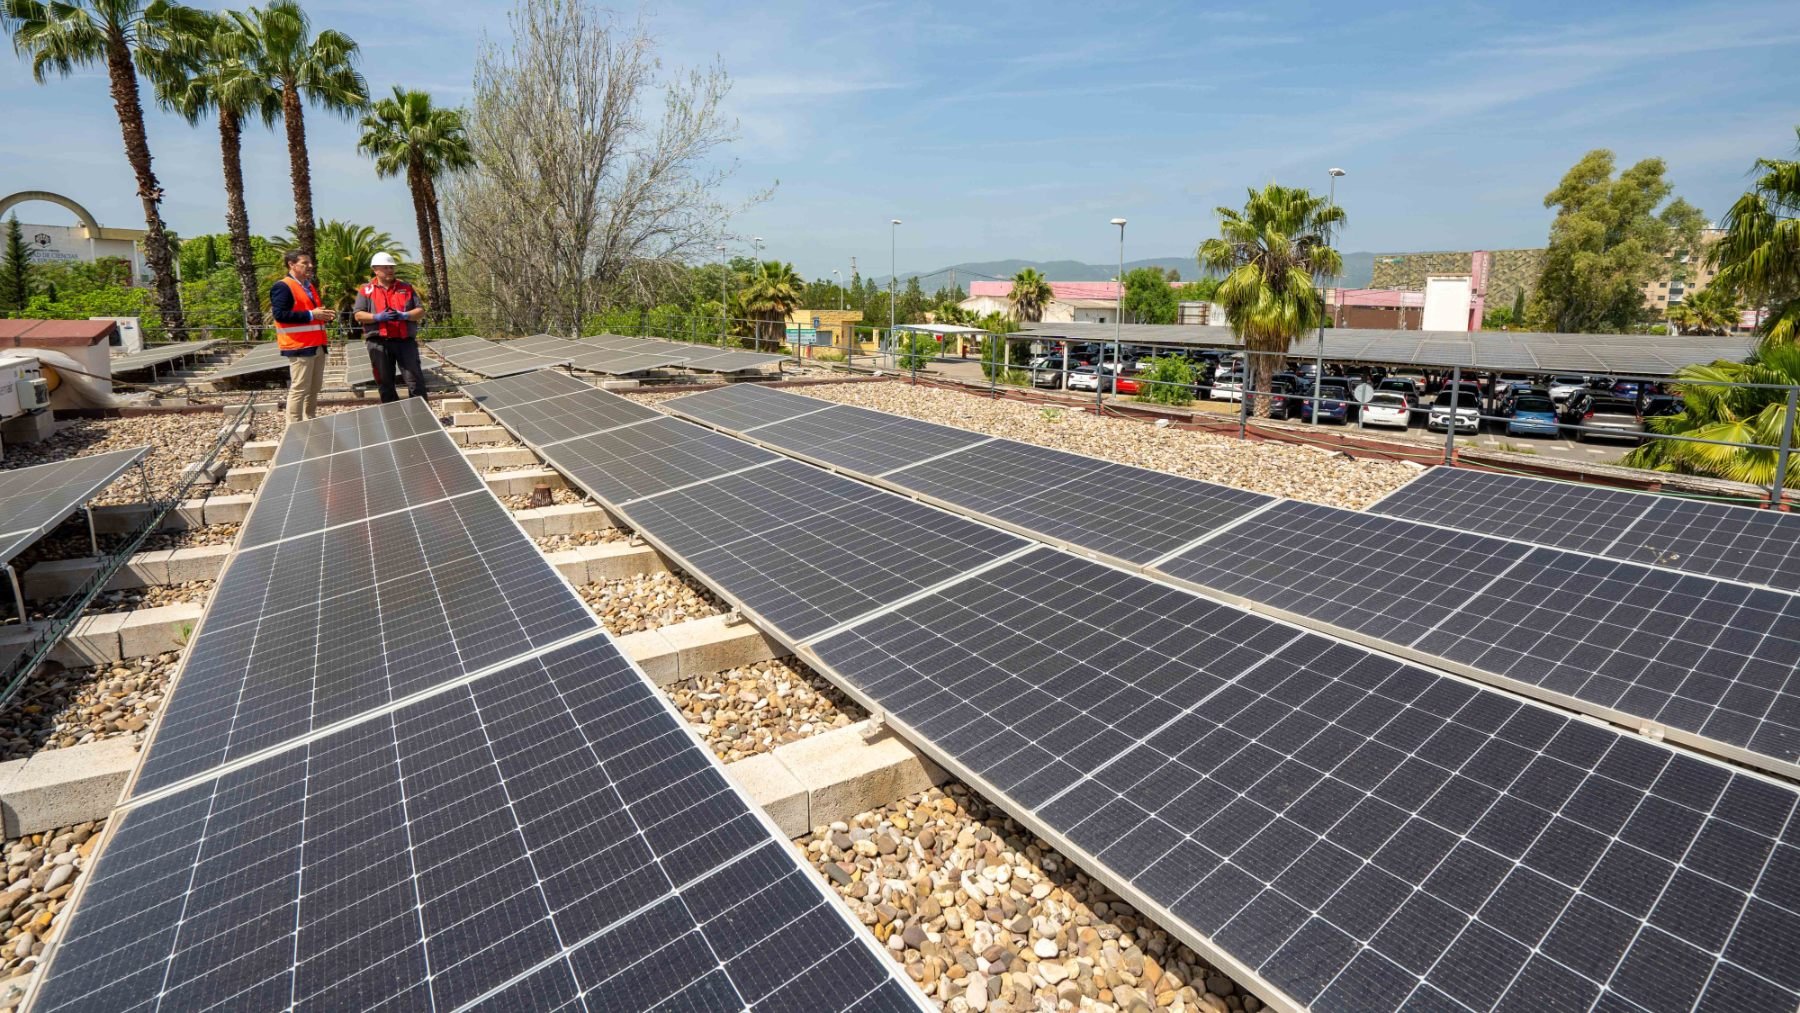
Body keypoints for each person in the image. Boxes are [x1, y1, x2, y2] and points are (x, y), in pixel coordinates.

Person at [352, 252, 428, 402]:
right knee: (385, 383)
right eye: (385, 267)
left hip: (405, 342)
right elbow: (358, 315)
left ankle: (422, 418)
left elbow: (420, 311)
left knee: (415, 380)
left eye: (391, 267)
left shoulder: (406, 288)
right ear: (375, 269)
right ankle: (394, 418)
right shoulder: (366, 290)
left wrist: (405, 315)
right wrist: (377, 317)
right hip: (379, 342)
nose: (390, 270)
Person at [269, 250, 333, 423]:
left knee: (314, 387)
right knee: (300, 388)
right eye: (305, 263)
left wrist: (323, 316)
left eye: (310, 262)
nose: (310, 266)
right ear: (291, 264)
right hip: (299, 345)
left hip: (316, 344)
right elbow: (280, 315)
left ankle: (310, 418)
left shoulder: (309, 286)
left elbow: (311, 313)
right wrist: (312, 315)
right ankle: (294, 425)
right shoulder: (283, 286)